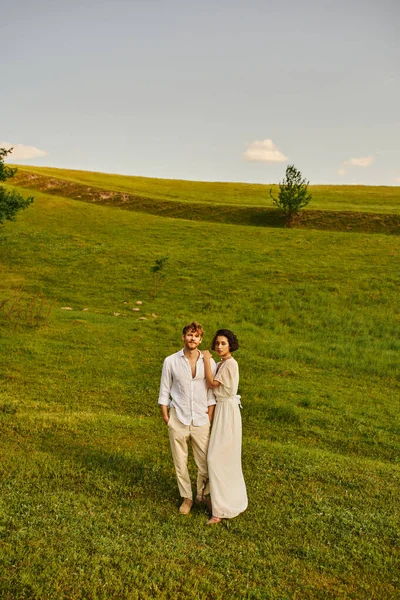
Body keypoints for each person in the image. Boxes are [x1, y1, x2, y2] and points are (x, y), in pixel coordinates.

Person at [158, 321, 216, 515]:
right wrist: (167, 416)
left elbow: (210, 393)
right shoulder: (171, 361)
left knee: (206, 462)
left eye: (196, 336)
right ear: (183, 337)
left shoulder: (208, 361)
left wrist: (209, 417)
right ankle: (187, 498)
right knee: (180, 462)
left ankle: (202, 494)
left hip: (201, 419)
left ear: (200, 339)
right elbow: (164, 390)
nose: (193, 339)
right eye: (190, 335)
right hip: (178, 418)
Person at [203, 329, 248, 525]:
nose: (219, 347)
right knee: (219, 458)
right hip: (222, 409)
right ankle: (219, 502)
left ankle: (220, 509)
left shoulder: (230, 364)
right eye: (217, 343)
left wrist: (205, 359)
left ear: (230, 345)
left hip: (227, 412)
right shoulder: (223, 363)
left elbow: (213, 383)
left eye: (223, 343)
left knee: (216, 458)